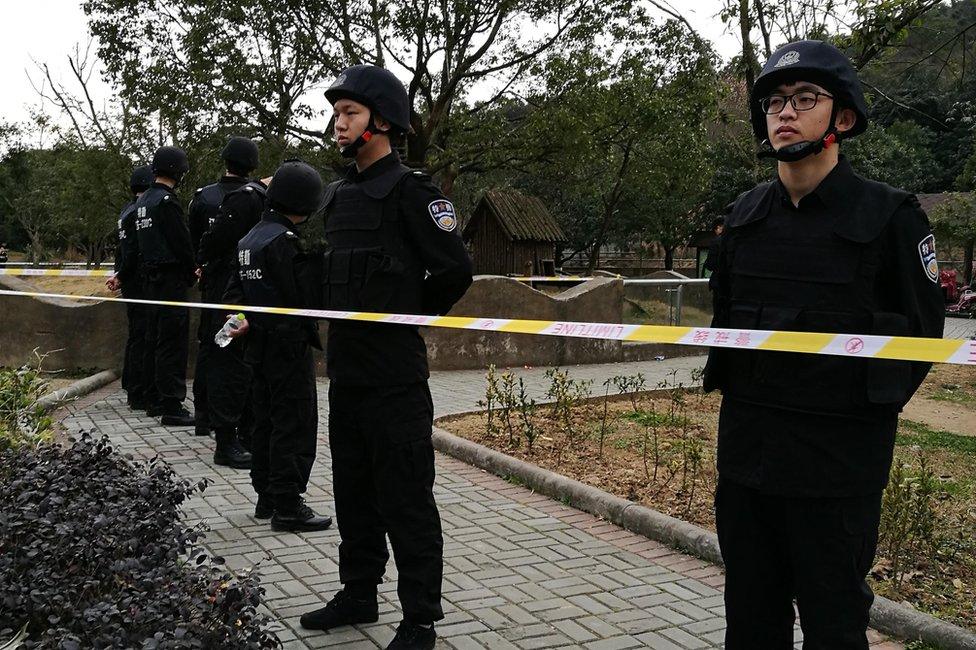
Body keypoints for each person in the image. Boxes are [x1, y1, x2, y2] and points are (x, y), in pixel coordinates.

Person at [703, 40, 945, 649]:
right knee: (750, 619)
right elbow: (727, 318)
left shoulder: (890, 217)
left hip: (837, 468)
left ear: (842, 118)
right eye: (775, 102)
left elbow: (922, 335)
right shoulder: (745, 214)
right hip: (748, 460)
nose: (785, 112)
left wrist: (862, 405)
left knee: (834, 623)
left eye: (805, 98)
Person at [298, 65, 473, 650]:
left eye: (348, 114)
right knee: (353, 495)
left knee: (406, 502)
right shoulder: (340, 194)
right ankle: (358, 594)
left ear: (381, 122)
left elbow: (454, 269)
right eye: (337, 113)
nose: (338, 123)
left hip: (395, 380)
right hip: (347, 377)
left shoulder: (412, 192)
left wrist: (407, 311)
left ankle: (419, 619)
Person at [223, 159, 332, 533]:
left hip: (257, 348)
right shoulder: (283, 243)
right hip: (287, 346)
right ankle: (288, 503)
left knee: (265, 421)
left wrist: (243, 321)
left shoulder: (249, 239)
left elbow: (234, 297)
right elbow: (297, 298)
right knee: (294, 423)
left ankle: (266, 496)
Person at [189, 137, 259, 448]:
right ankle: (228, 428)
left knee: (211, 345)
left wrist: (201, 263)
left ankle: (203, 415)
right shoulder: (255, 198)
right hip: (238, 288)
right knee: (231, 355)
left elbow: (197, 240)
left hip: (213, 284)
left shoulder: (202, 196)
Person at [135, 146, 197, 427]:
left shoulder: (144, 201)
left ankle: (152, 398)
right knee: (172, 342)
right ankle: (172, 405)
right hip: (171, 279)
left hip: (150, 279)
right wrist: (192, 268)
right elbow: (181, 241)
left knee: (154, 339)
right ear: (177, 171)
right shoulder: (167, 202)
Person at [107, 165, 154, 410]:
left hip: (130, 282)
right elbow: (135, 251)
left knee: (136, 335)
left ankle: (131, 384)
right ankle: (138, 390)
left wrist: (120, 275)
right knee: (143, 337)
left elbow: (122, 251)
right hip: (141, 282)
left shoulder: (126, 211)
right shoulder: (141, 212)